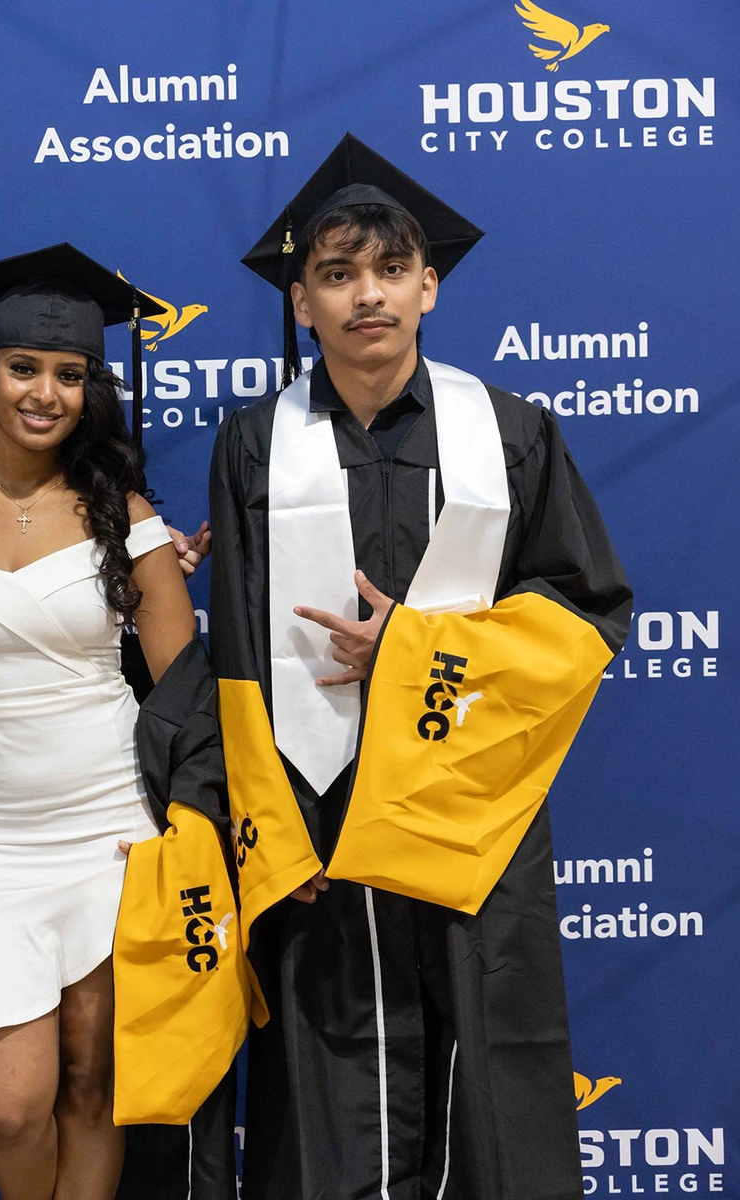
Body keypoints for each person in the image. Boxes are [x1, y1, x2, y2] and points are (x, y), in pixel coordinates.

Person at [212, 133, 633, 1200]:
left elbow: (585, 617)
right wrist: (264, 831)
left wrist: (414, 651)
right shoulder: (256, 444)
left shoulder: (510, 432)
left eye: (391, 270)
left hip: (471, 797)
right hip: (320, 803)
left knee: (497, 1067)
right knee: (334, 1082)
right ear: (299, 300)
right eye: (338, 274)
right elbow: (236, 660)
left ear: (430, 286)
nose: (368, 297)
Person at [0, 245, 230, 1200]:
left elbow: (184, 692)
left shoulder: (123, 516)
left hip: (113, 831)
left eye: (70, 374)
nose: (45, 392)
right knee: (10, 1105)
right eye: (24, 368)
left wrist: (191, 830)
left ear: (92, 391)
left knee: (93, 1086)